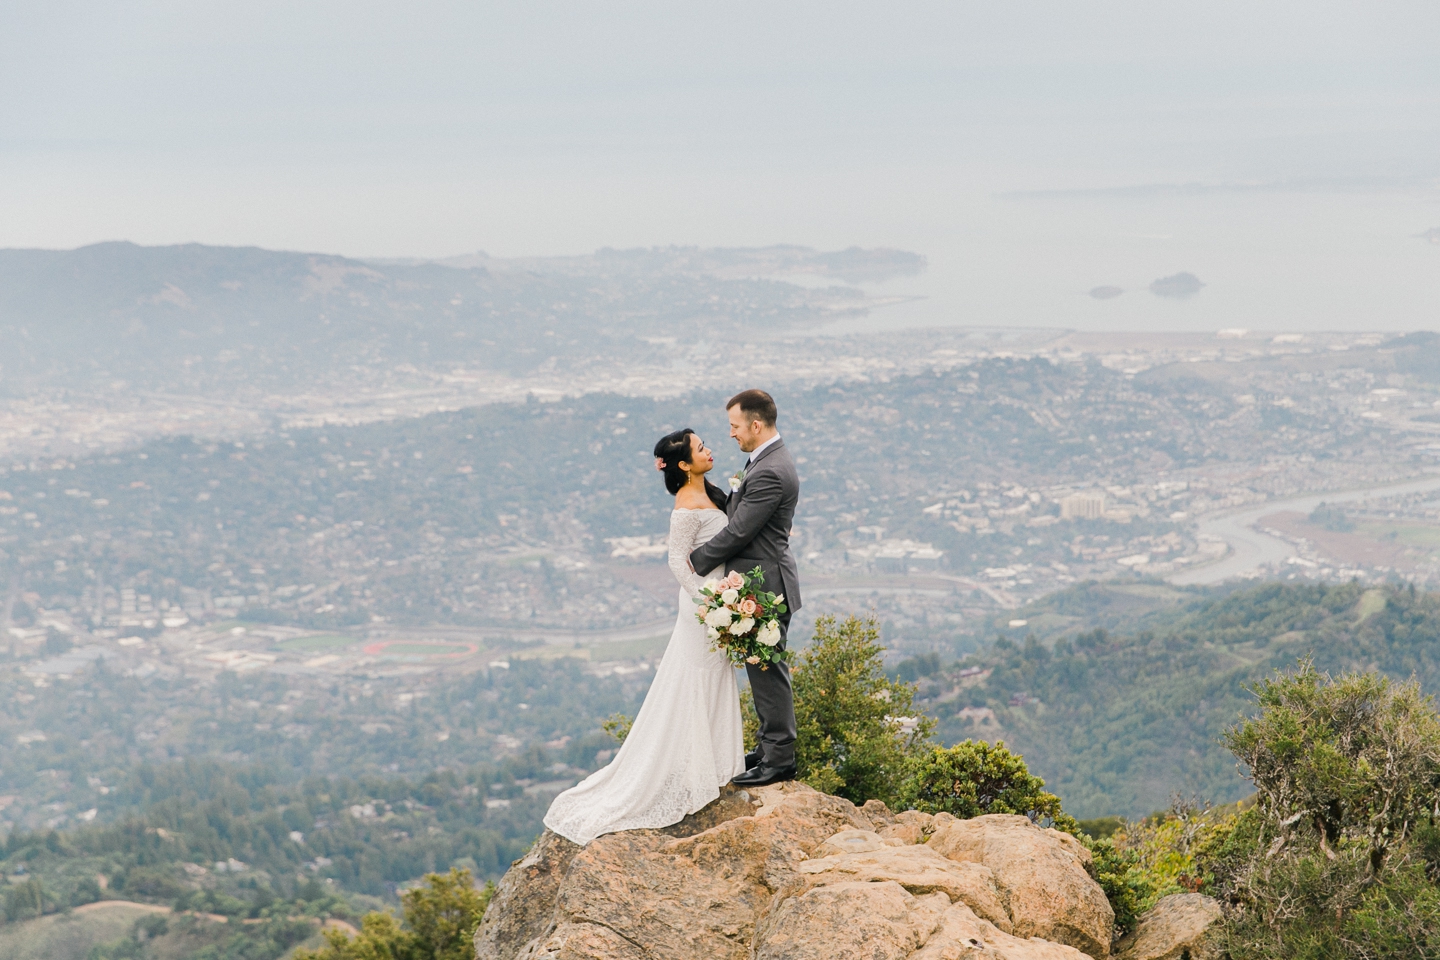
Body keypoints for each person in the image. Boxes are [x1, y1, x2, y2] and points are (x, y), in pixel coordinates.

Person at [543, 428, 745, 845]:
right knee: (694, 685)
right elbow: (676, 562)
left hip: (718, 603)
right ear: (684, 465)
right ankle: (697, 774)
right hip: (704, 608)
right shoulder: (686, 505)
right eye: (701, 448)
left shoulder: (710, 491)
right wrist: (710, 604)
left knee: (715, 682)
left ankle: (718, 767)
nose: (710, 450)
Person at [689, 389, 801, 787]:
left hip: (766, 586)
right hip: (760, 584)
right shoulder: (763, 461)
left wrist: (695, 560)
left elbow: (739, 530)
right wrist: (686, 477)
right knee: (760, 669)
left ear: (756, 424)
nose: (732, 434)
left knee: (768, 670)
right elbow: (739, 508)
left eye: (735, 426)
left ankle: (780, 760)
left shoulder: (770, 470)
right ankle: (769, 748)